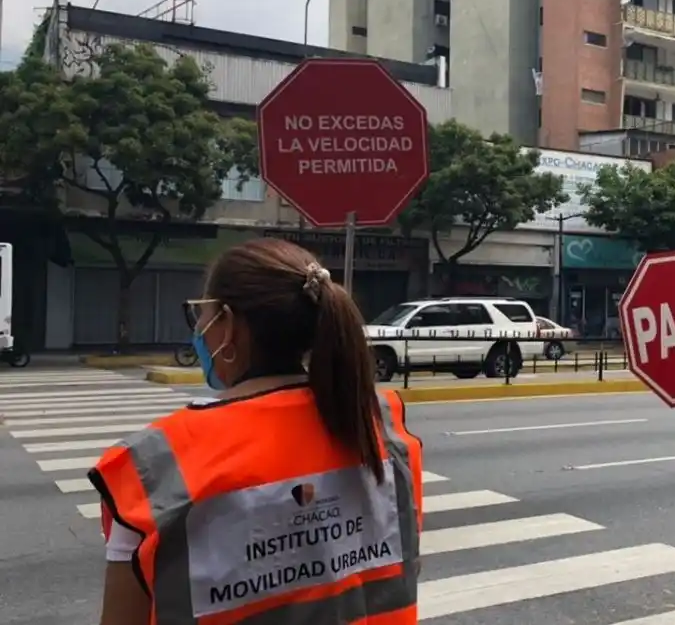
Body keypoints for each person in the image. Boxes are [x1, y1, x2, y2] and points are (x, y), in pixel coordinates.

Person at [88, 238, 424, 625]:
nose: (198, 328)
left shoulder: (158, 464)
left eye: (201, 313)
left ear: (227, 325)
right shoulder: (381, 428)